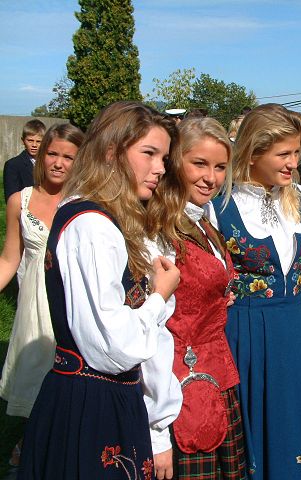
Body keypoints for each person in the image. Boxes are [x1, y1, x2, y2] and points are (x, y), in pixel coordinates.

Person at [18, 101, 181, 480]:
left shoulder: (107, 217)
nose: (159, 168)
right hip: (92, 402)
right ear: (111, 151)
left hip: (106, 397)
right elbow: (113, 347)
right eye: (149, 154)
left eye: (164, 157)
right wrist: (159, 295)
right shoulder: (93, 225)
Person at [209, 104, 301, 479]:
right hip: (244, 335)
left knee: (295, 429)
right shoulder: (216, 208)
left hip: (292, 332)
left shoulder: (297, 199)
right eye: (284, 154)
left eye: (297, 153)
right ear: (253, 152)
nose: (293, 163)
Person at [144, 116, 249, 479]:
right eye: (199, 164)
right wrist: (158, 434)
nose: (211, 177)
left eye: (220, 167)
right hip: (177, 385)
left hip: (217, 370)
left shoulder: (203, 220)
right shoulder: (157, 229)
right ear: (175, 162)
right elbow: (149, 328)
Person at [0, 123, 84, 468]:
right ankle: (33, 448)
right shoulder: (20, 201)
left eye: (68, 156)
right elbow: (9, 258)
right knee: (37, 378)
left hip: (73, 303)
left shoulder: (85, 203)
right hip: (35, 305)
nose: (59, 163)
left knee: (73, 382)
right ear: (40, 153)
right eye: (52, 153)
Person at [3, 120, 46, 203]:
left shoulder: (49, 163)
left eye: (38, 141)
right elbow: (11, 199)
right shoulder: (13, 165)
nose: (34, 145)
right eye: (30, 140)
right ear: (23, 141)